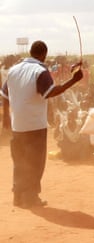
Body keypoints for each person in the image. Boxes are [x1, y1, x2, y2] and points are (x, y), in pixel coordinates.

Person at [1, 40, 83, 208]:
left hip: (18, 125)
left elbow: (4, 94)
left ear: (31, 52)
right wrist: (73, 80)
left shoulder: (13, 70)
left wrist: (6, 117)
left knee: (20, 160)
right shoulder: (40, 71)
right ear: (44, 55)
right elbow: (50, 92)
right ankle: (30, 197)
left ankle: (18, 196)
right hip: (34, 125)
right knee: (35, 162)